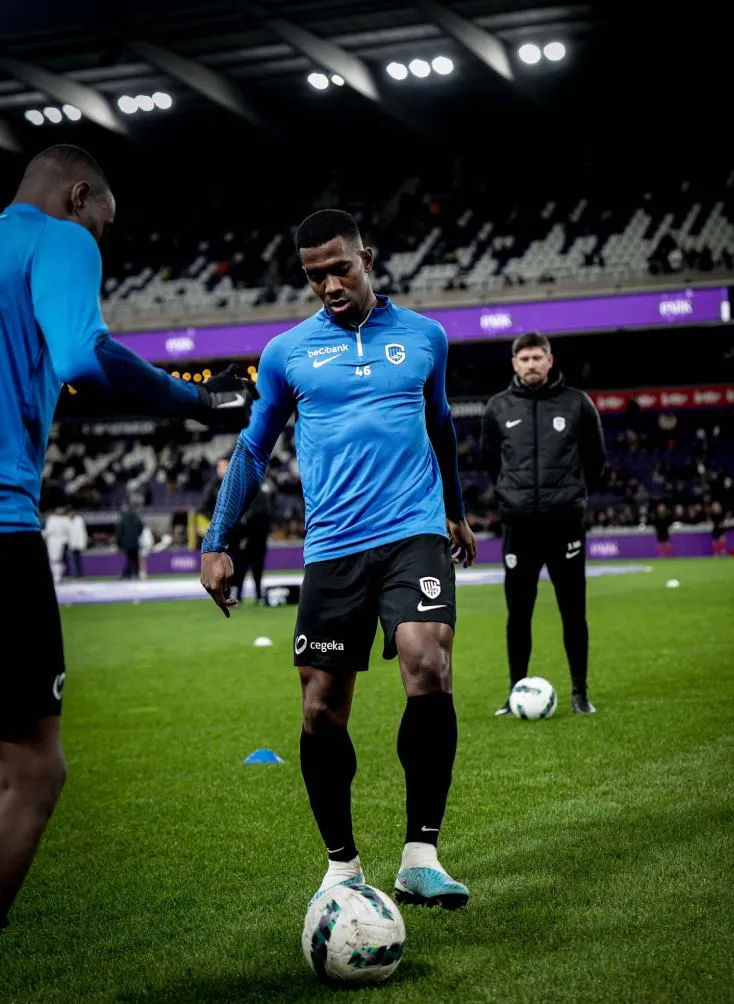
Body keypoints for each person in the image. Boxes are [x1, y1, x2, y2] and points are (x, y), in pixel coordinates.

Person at [0, 143, 257, 931]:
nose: (101, 246)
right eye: (104, 228)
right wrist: (198, 399)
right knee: (34, 769)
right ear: (79, 198)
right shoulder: (61, 237)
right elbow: (85, 352)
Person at [201, 209, 477, 910]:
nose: (326, 284)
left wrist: (456, 509)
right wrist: (216, 539)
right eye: (313, 275)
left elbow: (439, 425)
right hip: (332, 546)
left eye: (338, 268)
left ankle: (420, 854)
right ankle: (343, 865)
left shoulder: (424, 337)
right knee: (321, 707)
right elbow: (254, 448)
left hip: (411, 529)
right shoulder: (287, 353)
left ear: (367, 259)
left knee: (427, 658)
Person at [480, 332, 605, 718]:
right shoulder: (498, 408)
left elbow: (595, 459)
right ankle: (515, 692)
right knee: (518, 615)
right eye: (524, 359)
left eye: (538, 357)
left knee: (573, 612)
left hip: (565, 526)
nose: (531, 364)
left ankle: (580, 693)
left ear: (550, 360)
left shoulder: (577, 404)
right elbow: (490, 462)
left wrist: (570, 496)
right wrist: (511, 495)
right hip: (519, 527)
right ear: (515, 364)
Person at [42, 506, 72, 584]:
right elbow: (49, 531)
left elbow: (50, 531)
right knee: (55, 560)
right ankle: (56, 577)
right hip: (55, 542)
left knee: (57, 560)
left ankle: (57, 577)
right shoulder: (53, 519)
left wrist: (43, 534)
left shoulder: (64, 519)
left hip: (60, 542)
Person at [67, 507, 88, 578]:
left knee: (79, 560)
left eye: (72, 512)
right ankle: (75, 575)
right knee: (73, 560)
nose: (71, 514)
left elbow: (83, 531)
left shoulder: (79, 520)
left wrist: (84, 541)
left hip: (78, 543)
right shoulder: (66, 521)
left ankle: (81, 574)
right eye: (70, 513)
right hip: (71, 543)